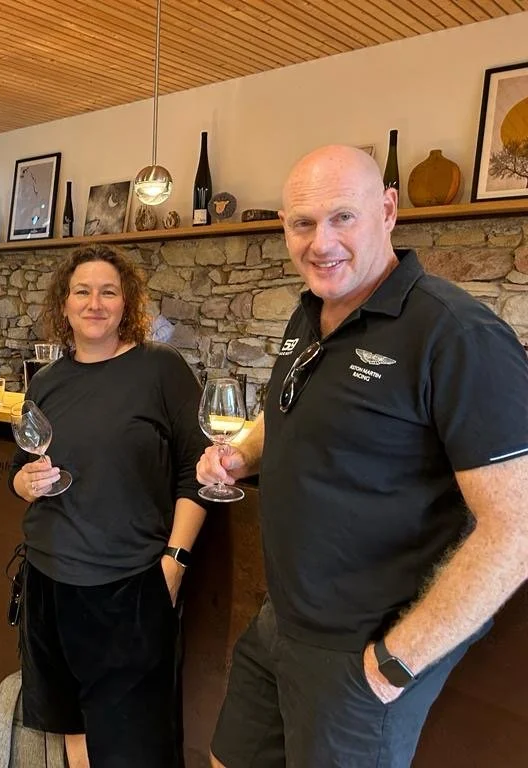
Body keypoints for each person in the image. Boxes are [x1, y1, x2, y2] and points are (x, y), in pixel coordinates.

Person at [197, 145, 528, 767]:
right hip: (280, 623)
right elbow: (293, 411)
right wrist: (240, 454)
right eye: (303, 223)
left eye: (342, 217)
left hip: (363, 654)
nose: (321, 243)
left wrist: (395, 663)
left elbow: (516, 530)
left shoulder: (457, 334)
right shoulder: (311, 313)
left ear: (388, 211)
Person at [9, 244, 209, 768]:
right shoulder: (46, 381)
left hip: (130, 585)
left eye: (108, 292)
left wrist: (175, 561)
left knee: (134, 744)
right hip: (48, 580)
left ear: (127, 303)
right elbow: (20, 470)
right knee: (70, 726)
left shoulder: (161, 369)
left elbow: (198, 469)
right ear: (64, 303)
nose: (94, 303)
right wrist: (25, 482)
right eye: (82, 291)